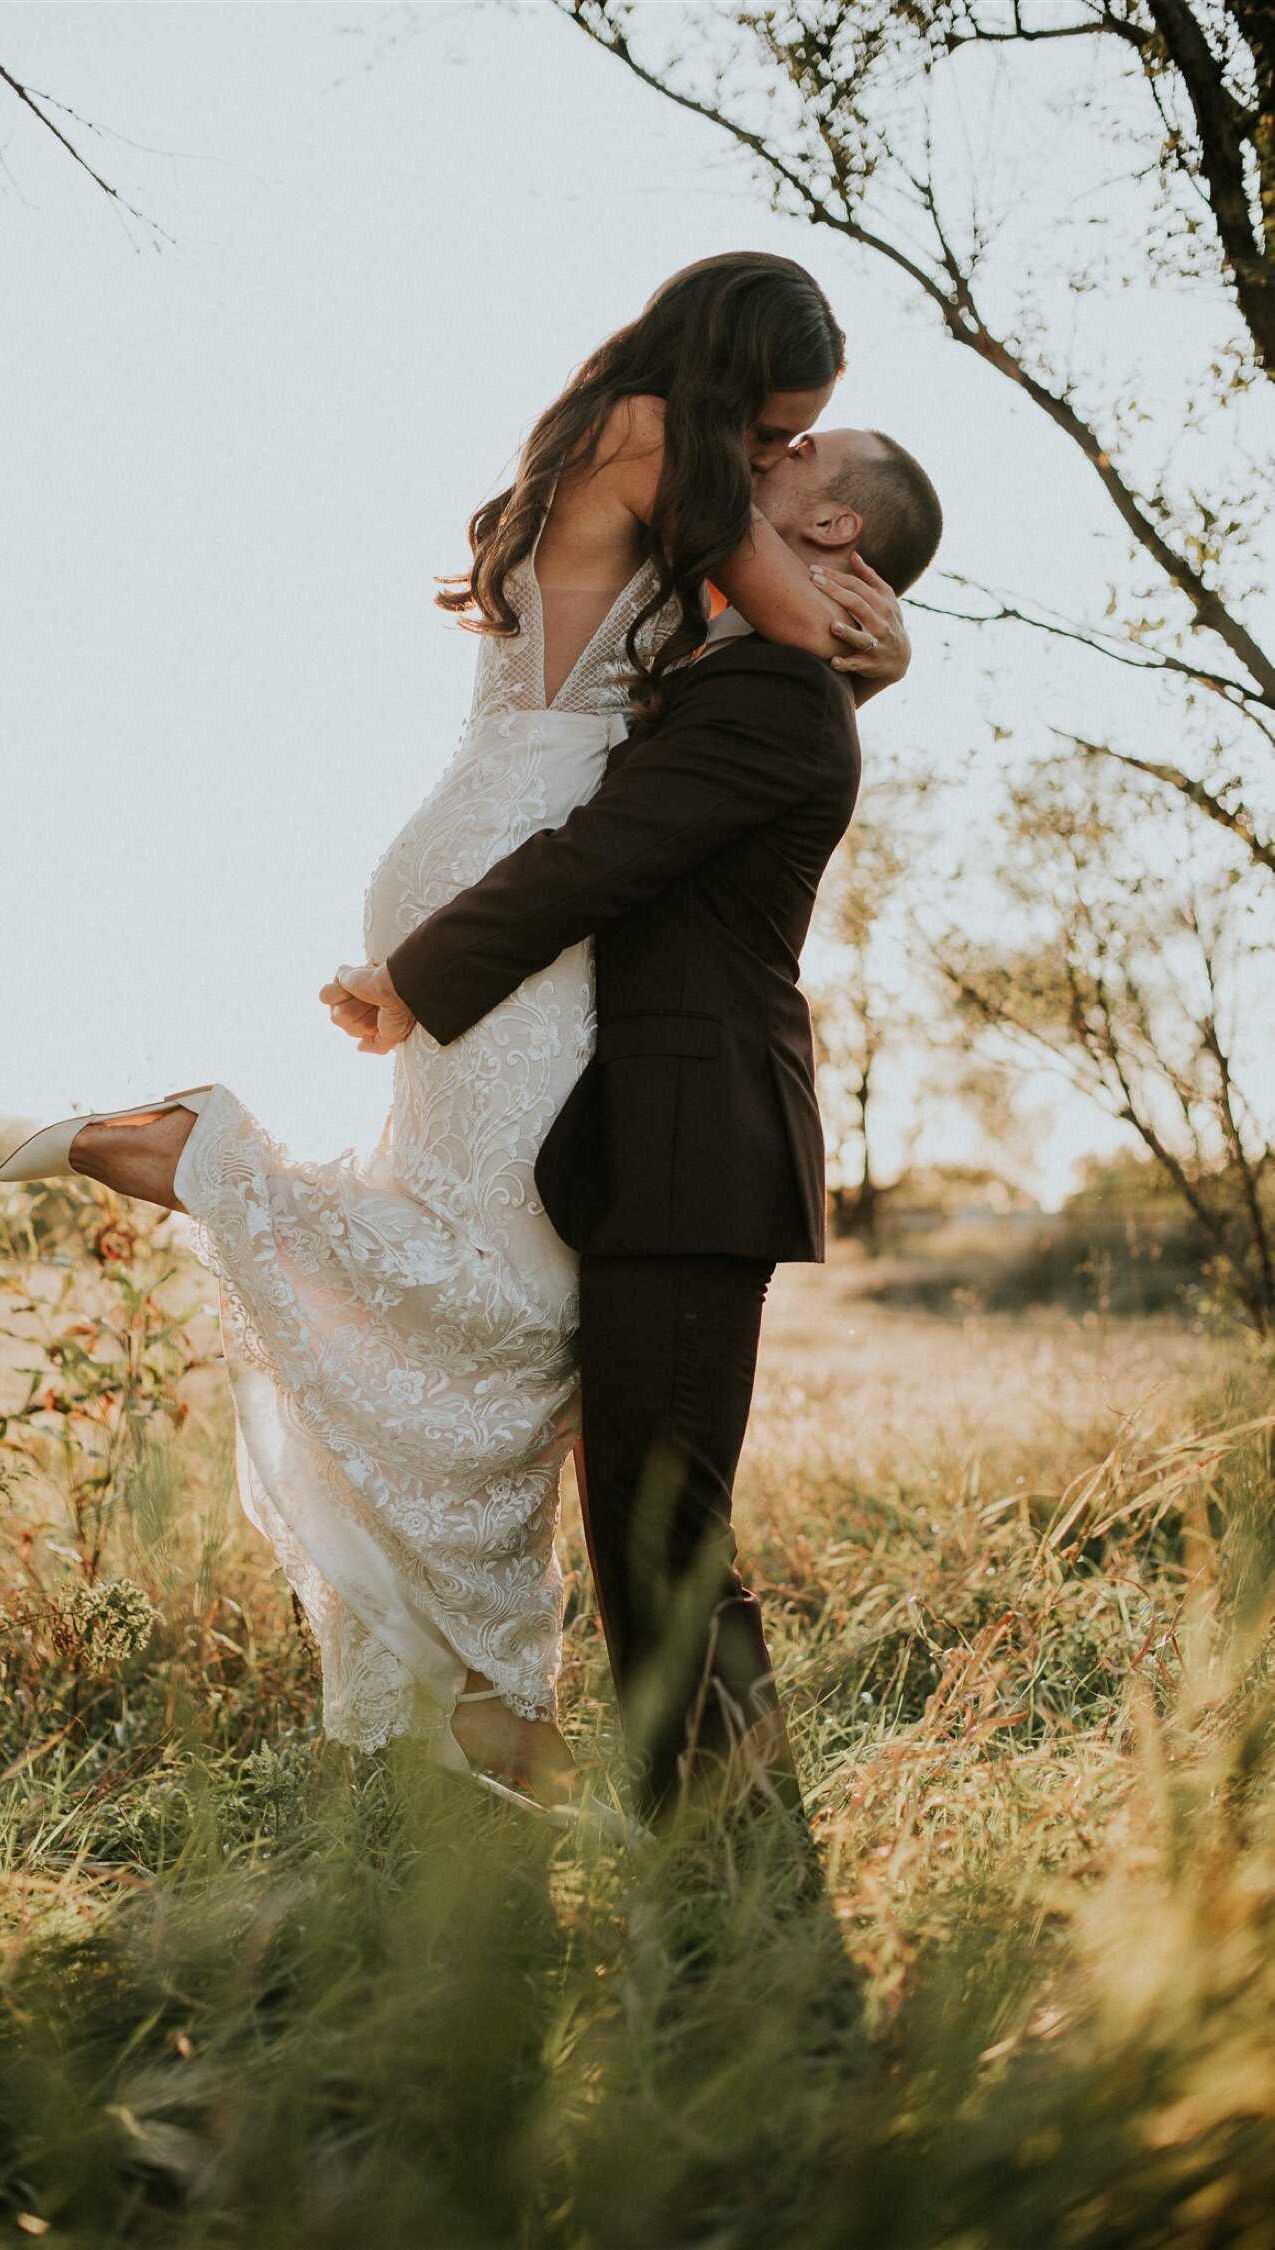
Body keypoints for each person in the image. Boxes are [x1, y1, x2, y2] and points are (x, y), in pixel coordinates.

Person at [0, 252, 910, 1827]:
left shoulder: (592, 435)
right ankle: (218, 1159)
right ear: (732, 388)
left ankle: (489, 1705)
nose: (768, 466)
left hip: (472, 831)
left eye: (792, 448)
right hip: (525, 872)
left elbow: (745, 665)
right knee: (519, 1297)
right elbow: (787, 642)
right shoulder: (678, 455)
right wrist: (873, 638)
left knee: (506, 1278)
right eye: (774, 434)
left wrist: (844, 619)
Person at [325, 423, 943, 1827]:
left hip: (696, 1140)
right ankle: (720, 1864)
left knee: (660, 1535)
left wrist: (411, 981)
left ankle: (737, 1874)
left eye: (798, 455)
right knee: (650, 1532)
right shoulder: (765, 669)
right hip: (672, 1137)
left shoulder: (780, 692)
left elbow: (608, 849)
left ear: (839, 527)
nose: (760, 459)